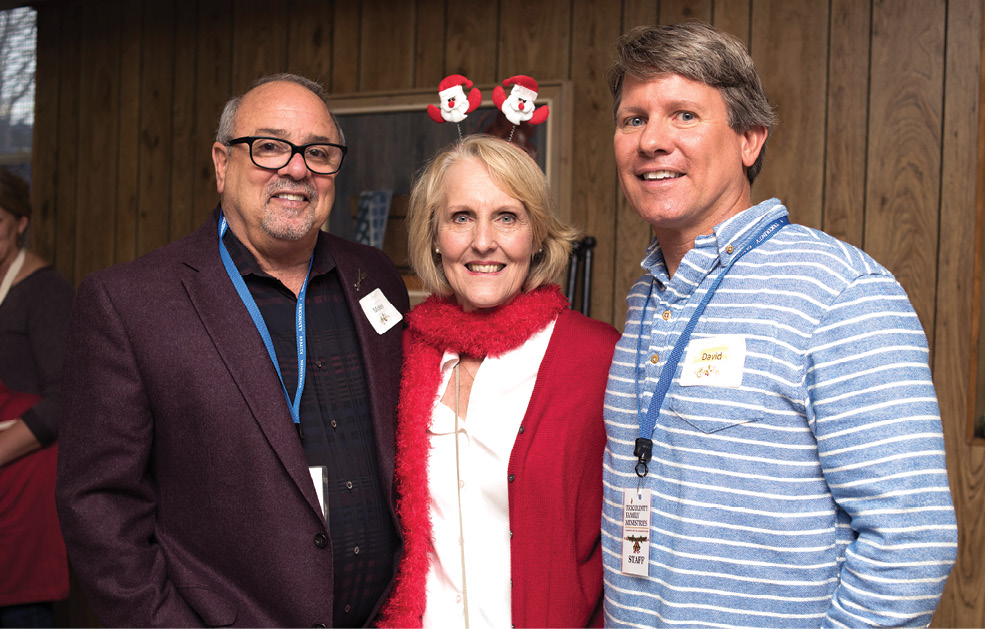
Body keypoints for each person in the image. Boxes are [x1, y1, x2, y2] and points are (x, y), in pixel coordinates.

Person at [601, 21, 957, 628]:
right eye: (634, 119)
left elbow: (911, 539)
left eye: (684, 115)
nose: (651, 141)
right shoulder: (647, 299)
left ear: (750, 139)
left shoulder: (840, 292)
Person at [56, 73, 409, 627]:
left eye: (318, 152)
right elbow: (99, 505)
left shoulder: (375, 276)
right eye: (269, 146)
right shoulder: (129, 303)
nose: (297, 169)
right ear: (222, 163)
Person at [377, 135, 619, 628]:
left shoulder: (596, 357)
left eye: (507, 217)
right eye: (461, 217)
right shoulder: (401, 357)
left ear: (537, 235)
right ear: (434, 235)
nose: (483, 241)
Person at [0, 169, 73, 627]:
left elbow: (66, 399)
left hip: (25, 485)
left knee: (22, 612)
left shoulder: (45, 292)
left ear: (20, 222)